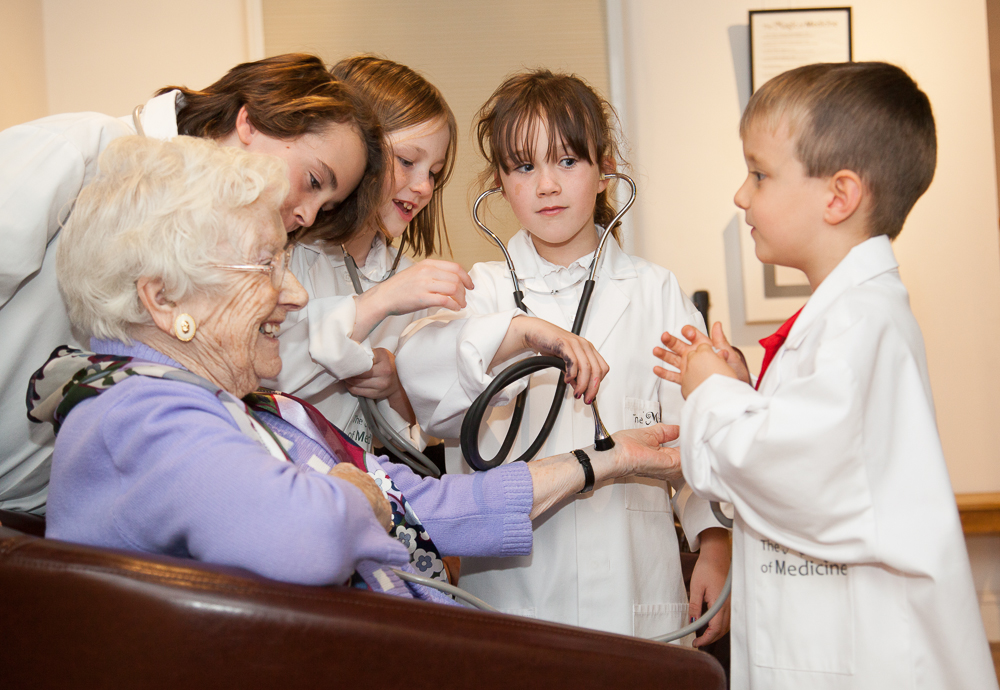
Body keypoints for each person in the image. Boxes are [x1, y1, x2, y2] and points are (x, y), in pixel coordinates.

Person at [31, 134, 683, 600]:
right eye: (265, 265)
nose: (294, 294)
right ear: (163, 297)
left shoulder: (262, 412)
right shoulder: (132, 415)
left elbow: (427, 503)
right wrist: (361, 497)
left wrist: (607, 459)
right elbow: (306, 535)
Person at [653, 62, 997, 689]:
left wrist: (711, 390)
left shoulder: (862, 321)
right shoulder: (844, 316)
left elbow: (794, 472)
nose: (741, 195)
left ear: (838, 196)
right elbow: (809, 447)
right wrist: (741, 390)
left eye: (759, 174)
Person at [395, 69, 730, 642]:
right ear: (499, 184)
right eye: (524, 167)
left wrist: (715, 542)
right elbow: (423, 380)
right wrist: (522, 332)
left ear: (603, 171)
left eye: (567, 162)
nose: (546, 185)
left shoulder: (656, 292)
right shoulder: (480, 293)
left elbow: (691, 436)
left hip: (636, 594)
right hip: (514, 597)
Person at [0, 53, 386, 515]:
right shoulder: (81, 152)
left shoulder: (230, 255)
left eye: (325, 207)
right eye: (313, 180)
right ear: (251, 121)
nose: (306, 214)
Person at [267, 55, 471, 454]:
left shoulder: (413, 281)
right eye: (408, 162)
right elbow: (269, 379)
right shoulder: (286, 255)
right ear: (358, 152)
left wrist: (395, 388)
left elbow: (426, 431)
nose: (424, 187)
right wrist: (379, 302)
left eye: (434, 172)